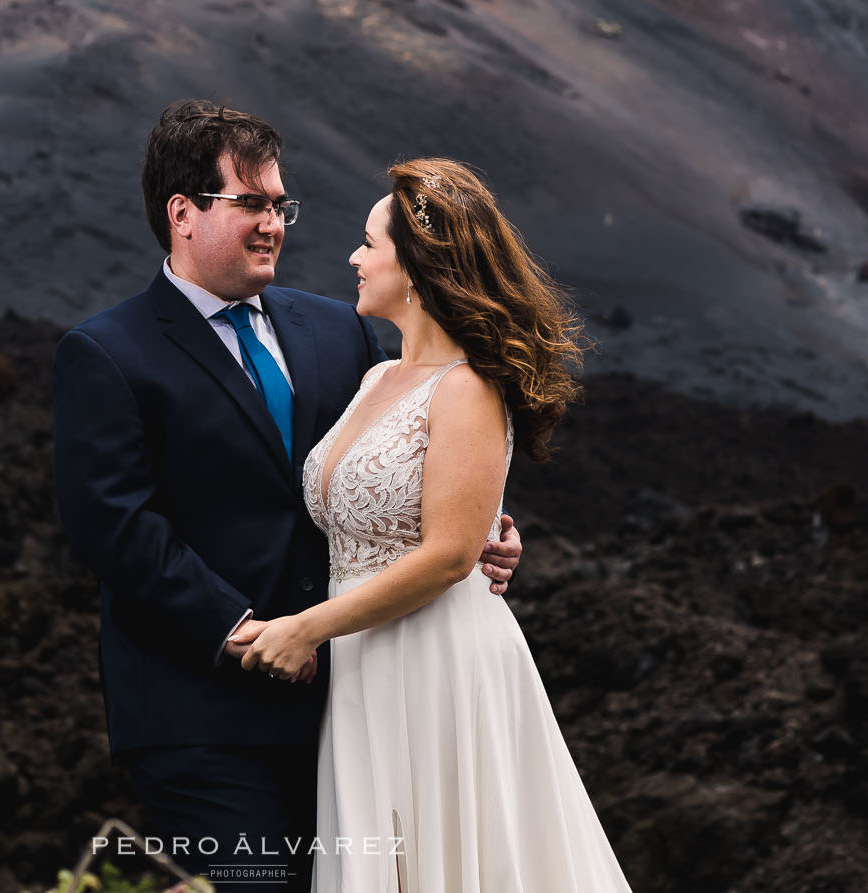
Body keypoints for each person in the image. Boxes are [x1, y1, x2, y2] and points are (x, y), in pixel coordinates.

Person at [53, 103, 523, 892]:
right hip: (200, 717)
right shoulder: (106, 353)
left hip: (356, 705)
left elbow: (399, 464)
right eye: (252, 204)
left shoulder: (339, 329)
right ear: (183, 212)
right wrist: (240, 630)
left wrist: (481, 534)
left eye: (281, 204)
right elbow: (113, 525)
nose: (275, 223)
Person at [235, 157, 635, 892]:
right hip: (364, 669)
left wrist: (306, 626)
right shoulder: (373, 378)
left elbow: (452, 554)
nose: (353, 257)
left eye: (368, 243)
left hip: (437, 661)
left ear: (416, 266)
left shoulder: (470, 387)